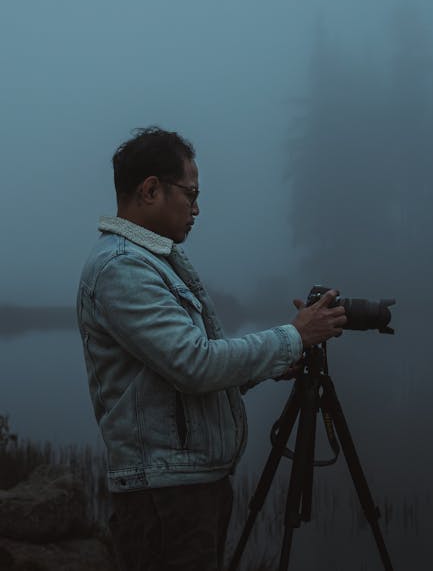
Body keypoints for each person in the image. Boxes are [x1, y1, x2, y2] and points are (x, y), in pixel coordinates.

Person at [76, 126, 347, 571]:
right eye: (190, 193)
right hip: (165, 496)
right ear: (150, 190)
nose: (197, 208)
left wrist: (276, 360)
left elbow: (190, 373)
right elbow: (196, 365)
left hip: (184, 488)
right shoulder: (123, 268)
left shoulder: (150, 262)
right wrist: (294, 335)